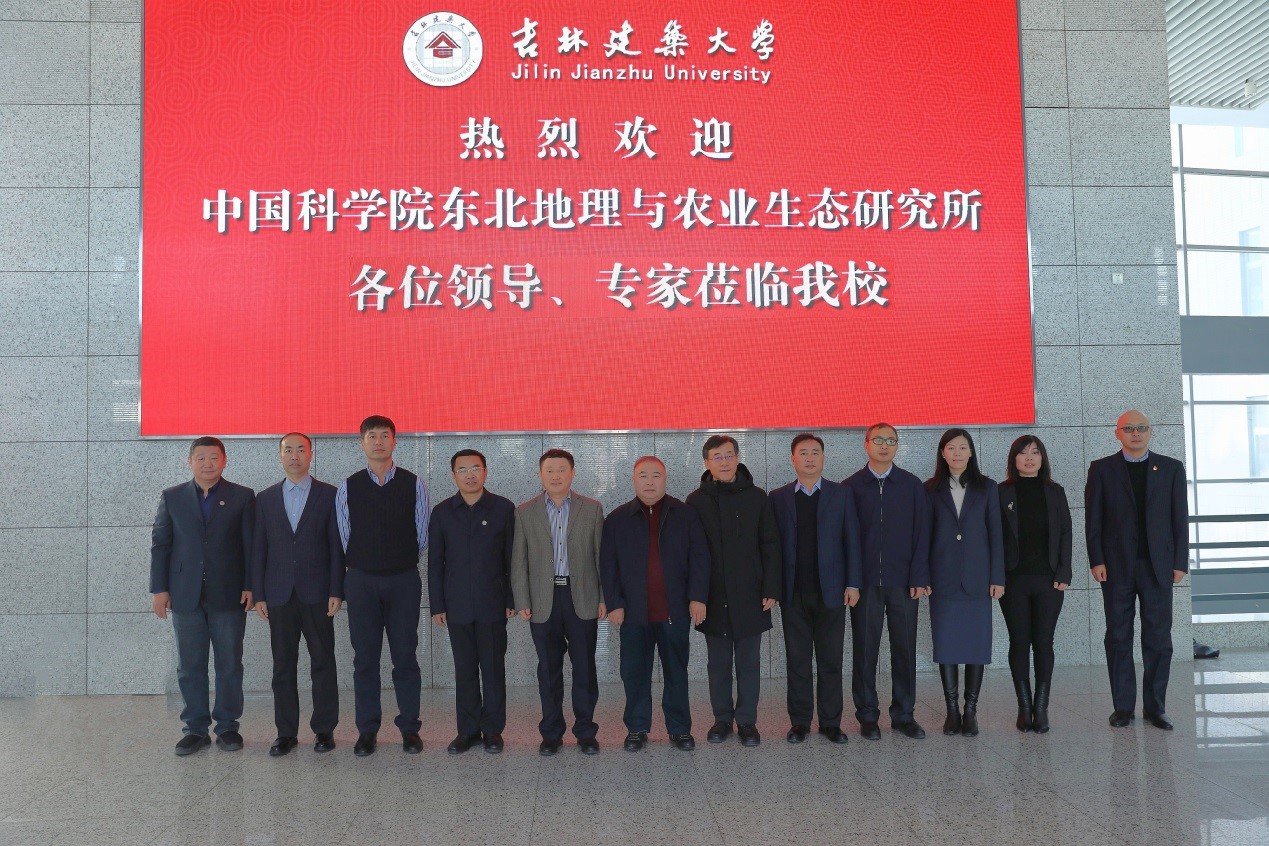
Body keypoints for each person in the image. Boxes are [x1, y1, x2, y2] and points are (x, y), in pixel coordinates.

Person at [149, 436, 255, 756]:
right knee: (190, 666)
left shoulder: (242, 496)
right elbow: (161, 545)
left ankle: (227, 727)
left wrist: (251, 585)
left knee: (229, 664)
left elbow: (250, 546)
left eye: (214, 457)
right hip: (185, 595)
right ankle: (195, 729)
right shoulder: (172, 497)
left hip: (229, 594)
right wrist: (159, 589)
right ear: (190, 461)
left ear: (224, 461)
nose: (208, 463)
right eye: (201, 458)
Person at [1085, 410, 1188, 731]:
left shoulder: (1171, 468)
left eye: (1141, 428)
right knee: (1118, 636)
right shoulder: (1102, 469)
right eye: (1128, 428)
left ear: (1150, 432)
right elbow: (1093, 520)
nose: (1135, 433)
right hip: (1116, 567)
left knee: (1158, 638)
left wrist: (1180, 562)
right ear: (1117, 433)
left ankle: (1156, 708)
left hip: (1159, 568)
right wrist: (1096, 559)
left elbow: (1180, 519)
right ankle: (1123, 708)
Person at [601, 456, 710, 752]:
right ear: (633, 480)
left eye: (656, 476)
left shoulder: (685, 514)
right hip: (633, 613)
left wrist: (698, 597)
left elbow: (700, 558)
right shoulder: (618, 518)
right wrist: (614, 603)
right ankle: (637, 728)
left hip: (675, 610)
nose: (650, 482)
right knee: (634, 672)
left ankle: (680, 729)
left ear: (665, 479)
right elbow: (608, 565)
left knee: (677, 672)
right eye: (643, 476)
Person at [335, 415, 430, 756]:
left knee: (405, 656)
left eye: (384, 435)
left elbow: (422, 535)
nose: (378, 441)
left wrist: (396, 558)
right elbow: (344, 536)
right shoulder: (348, 486)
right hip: (361, 581)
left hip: (403, 580)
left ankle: (410, 728)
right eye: (371, 436)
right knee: (365, 659)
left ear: (394, 441)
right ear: (362, 442)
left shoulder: (413, 483)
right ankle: (367, 730)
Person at [251, 432, 344, 756]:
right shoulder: (265, 498)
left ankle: (324, 730)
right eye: (288, 450)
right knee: (282, 665)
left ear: (310, 455)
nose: (294, 456)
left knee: (323, 662)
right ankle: (286, 733)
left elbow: (336, 546)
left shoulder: (330, 495)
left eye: (300, 450)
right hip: (278, 594)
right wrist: (259, 594)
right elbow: (259, 549)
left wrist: (336, 589)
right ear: (280, 456)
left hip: (318, 592)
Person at [687, 435, 781, 747]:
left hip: (751, 595)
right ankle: (722, 719)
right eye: (717, 457)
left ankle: (747, 722)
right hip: (713, 597)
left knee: (748, 663)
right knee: (718, 664)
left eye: (729, 455)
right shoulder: (696, 501)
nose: (724, 462)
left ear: (738, 458)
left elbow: (770, 544)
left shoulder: (757, 497)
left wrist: (771, 587)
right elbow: (693, 553)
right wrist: (696, 596)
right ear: (706, 463)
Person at [511, 448, 606, 756]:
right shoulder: (524, 512)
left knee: (584, 667)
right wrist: (523, 599)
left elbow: (601, 557)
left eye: (561, 470)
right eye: (549, 470)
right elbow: (519, 561)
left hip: (582, 598)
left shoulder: (592, 509)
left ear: (572, 473)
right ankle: (551, 733)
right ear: (540, 475)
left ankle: (586, 732)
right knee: (548, 669)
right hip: (543, 599)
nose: (555, 476)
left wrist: (603, 597)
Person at [769, 433, 862, 745]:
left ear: (823, 457)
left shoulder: (841, 494)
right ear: (792, 459)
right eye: (803, 453)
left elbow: (852, 540)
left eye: (815, 452)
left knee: (830, 661)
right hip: (793, 593)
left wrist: (852, 583)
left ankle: (831, 723)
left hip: (832, 592)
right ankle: (799, 722)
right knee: (797, 662)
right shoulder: (778, 497)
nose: (809, 458)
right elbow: (772, 548)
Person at [843, 423, 931, 740]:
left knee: (904, 649)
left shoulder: (911, 485)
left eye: (890, 440)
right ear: (866, 444)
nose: (884, 445)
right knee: (865, 650)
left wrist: (919, 576)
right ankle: (867, 715)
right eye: (878, 440)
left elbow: (922, 533)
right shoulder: (850, 486)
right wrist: (851, 581)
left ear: (897, 446)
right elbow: (846, 539)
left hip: (903, 582)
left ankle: (904, 715)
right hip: (865, 583)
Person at [428, 449, 516, 754]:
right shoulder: (442, 512)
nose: (470, 475)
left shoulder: (503, 509)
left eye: (475, 468)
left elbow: (511, 559)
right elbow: (435, 563)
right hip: (457, 606)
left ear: (485, 472)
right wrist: (437, 604)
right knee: (464, 670)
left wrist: (511, 598)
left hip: (493, 604)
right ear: (453, 476)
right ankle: (467, 730)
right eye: (462, 470)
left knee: (493, 670)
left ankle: (492, 730)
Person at [925, 428, 1004, 737]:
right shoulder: (930, 489)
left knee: (975, 646)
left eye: (962, 447)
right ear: (942, 453)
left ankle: (970, 711)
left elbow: (996, 535)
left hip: (977, 580)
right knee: (946, 645)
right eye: (951, 448)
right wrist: (923, 577)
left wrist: (997, 577)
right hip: (942, 579)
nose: (957, 453)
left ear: (971, 452)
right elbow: (924, 537)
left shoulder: (987, 488)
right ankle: (951, 711)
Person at [998, 435, 1072, 734]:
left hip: (1049, 581)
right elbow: (994, 537)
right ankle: (1024, 706)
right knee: (1019, 642)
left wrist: (1064, 572)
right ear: (1013, 459)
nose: (1029, 458)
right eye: (1023, 453)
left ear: (1043, 458)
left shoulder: (1055, 492)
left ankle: (1041, 708)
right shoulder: (1001, 492)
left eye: (1035, 452)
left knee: (1043, 642)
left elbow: (1066, 533)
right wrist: (996, 578)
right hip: (1012, 580)